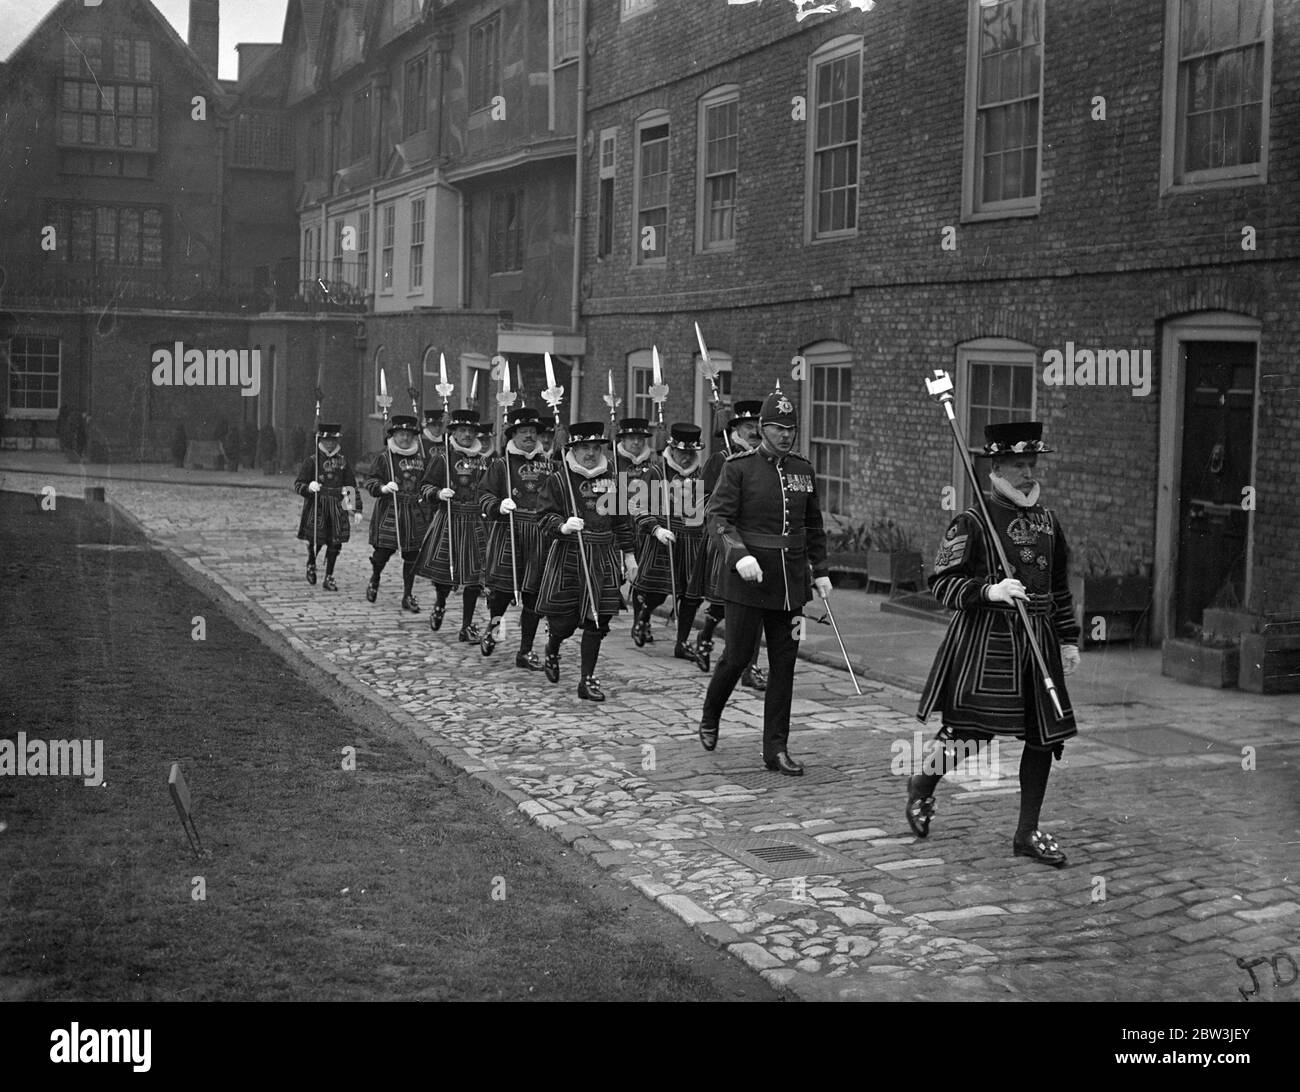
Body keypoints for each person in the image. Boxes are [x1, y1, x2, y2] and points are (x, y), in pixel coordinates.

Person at [912, 421, 1081, 867]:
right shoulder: (972, 521)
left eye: (1032, 464)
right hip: (987, 643)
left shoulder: (1048, 521)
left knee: (1043, 737)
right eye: (1018, 465)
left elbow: (1060, 587)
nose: (1028, 474)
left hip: (1039, 639)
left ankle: (1026, 833)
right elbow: (942, 583)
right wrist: (989, 591)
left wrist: (1068, 639)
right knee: (971, 734)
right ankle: (922, 786)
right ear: (997, 467)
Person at [697, 386, 831, 775]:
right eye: (776, 428)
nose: (785, 435)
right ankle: (711, 712)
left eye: (790, 428)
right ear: (761, 428)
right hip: (747, 581)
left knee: (785, 665)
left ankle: (776, 749)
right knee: (737, 658)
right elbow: (717, 521)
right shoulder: (738, 468)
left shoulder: (803, 470)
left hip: (790, 584)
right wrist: (739, 556)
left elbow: (812, 525)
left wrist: (820, 571)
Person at [535, 421, 638, 702]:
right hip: (570, 554)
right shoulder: (559, 479)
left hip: (603, 556)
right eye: (584, 448)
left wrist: (628, 555)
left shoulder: (612, 480)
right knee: (565, 623)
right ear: (574, 450)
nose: (591, 454)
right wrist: (563, 525)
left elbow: (621, 522)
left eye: (595, 447)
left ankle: (587, 679)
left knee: (598, 620)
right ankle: (553, 647)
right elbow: (543, 517)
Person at [694, 400, 767, 690]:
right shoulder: (720, 460)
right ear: (735, 428)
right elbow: (700, 502)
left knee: (758, 606)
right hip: (727, 540)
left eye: (759, 427)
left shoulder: (766, 460)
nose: (755, 432)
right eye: (749, 426)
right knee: (725, 603)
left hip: (758, 542)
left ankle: (751, 667)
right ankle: (706, 635)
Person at [477, 406, 552, 669]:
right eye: (524, 432)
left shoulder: (551, 465)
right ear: (514, 435)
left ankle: (525, 650)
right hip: (510, 530)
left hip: (541, 534)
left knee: (534, 594)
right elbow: (484, 495)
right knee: (502, 591)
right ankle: (494, 628)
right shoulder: (501, 464)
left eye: (533, 432)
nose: (530, 437)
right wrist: (498, 505)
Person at [631, 423, 708, 663]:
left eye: (690, 453)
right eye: (681, 452)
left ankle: (682, 642)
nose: (686, 458)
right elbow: (637, 507)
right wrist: (655, 529)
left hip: (694, 541)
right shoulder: (656, 471)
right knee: (657, 592)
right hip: (665, 538)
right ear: (672, 449)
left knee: (692, 596)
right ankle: (643, 617)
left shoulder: (702, 474)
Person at [417, 408, 489, 640]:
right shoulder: (443, 459)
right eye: (462, 430)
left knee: (475, 577)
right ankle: (440, 604)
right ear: (454, 433)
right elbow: (425, 486)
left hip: (476, 522)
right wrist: (438, 493)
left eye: (471, 431)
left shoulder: (485, 461)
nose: (467, 435)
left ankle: (466, 626)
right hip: (450, 518)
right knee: (445, 573)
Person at [362, 415, 429, 611]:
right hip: (391, 511)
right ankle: (375, 579)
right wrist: (382, 487)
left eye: (409, 435)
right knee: (382, 552)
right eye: (401, 434)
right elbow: (370, 482)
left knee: (412, 556)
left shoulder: (421, 458)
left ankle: (407, 595)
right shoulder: (384, 458)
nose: (405, 439)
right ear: (393, 435)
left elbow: (427, 482)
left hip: (414, 512)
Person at [293, 422, 361, 591]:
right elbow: (298, 484)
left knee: (335, 543)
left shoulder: (343, 462)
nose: (330, 443)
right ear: (320, 440)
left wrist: (355, 508)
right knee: (317, 539)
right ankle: (311, 562)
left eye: (333, 440)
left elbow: (350, 484)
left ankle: (329, 576)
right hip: (318, 505)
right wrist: (309, 487)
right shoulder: (312, 460)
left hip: (337, 506)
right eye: (326, 440)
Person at [614, 417, 663, 645]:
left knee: (646, 579)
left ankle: (641, 621)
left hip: (645, 526)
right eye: (631, 437)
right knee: (617, 577)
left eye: (640, 438)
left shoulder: (654, 464)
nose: (636, 442)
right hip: (619, 525)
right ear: (622, 439)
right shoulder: (612, 463)